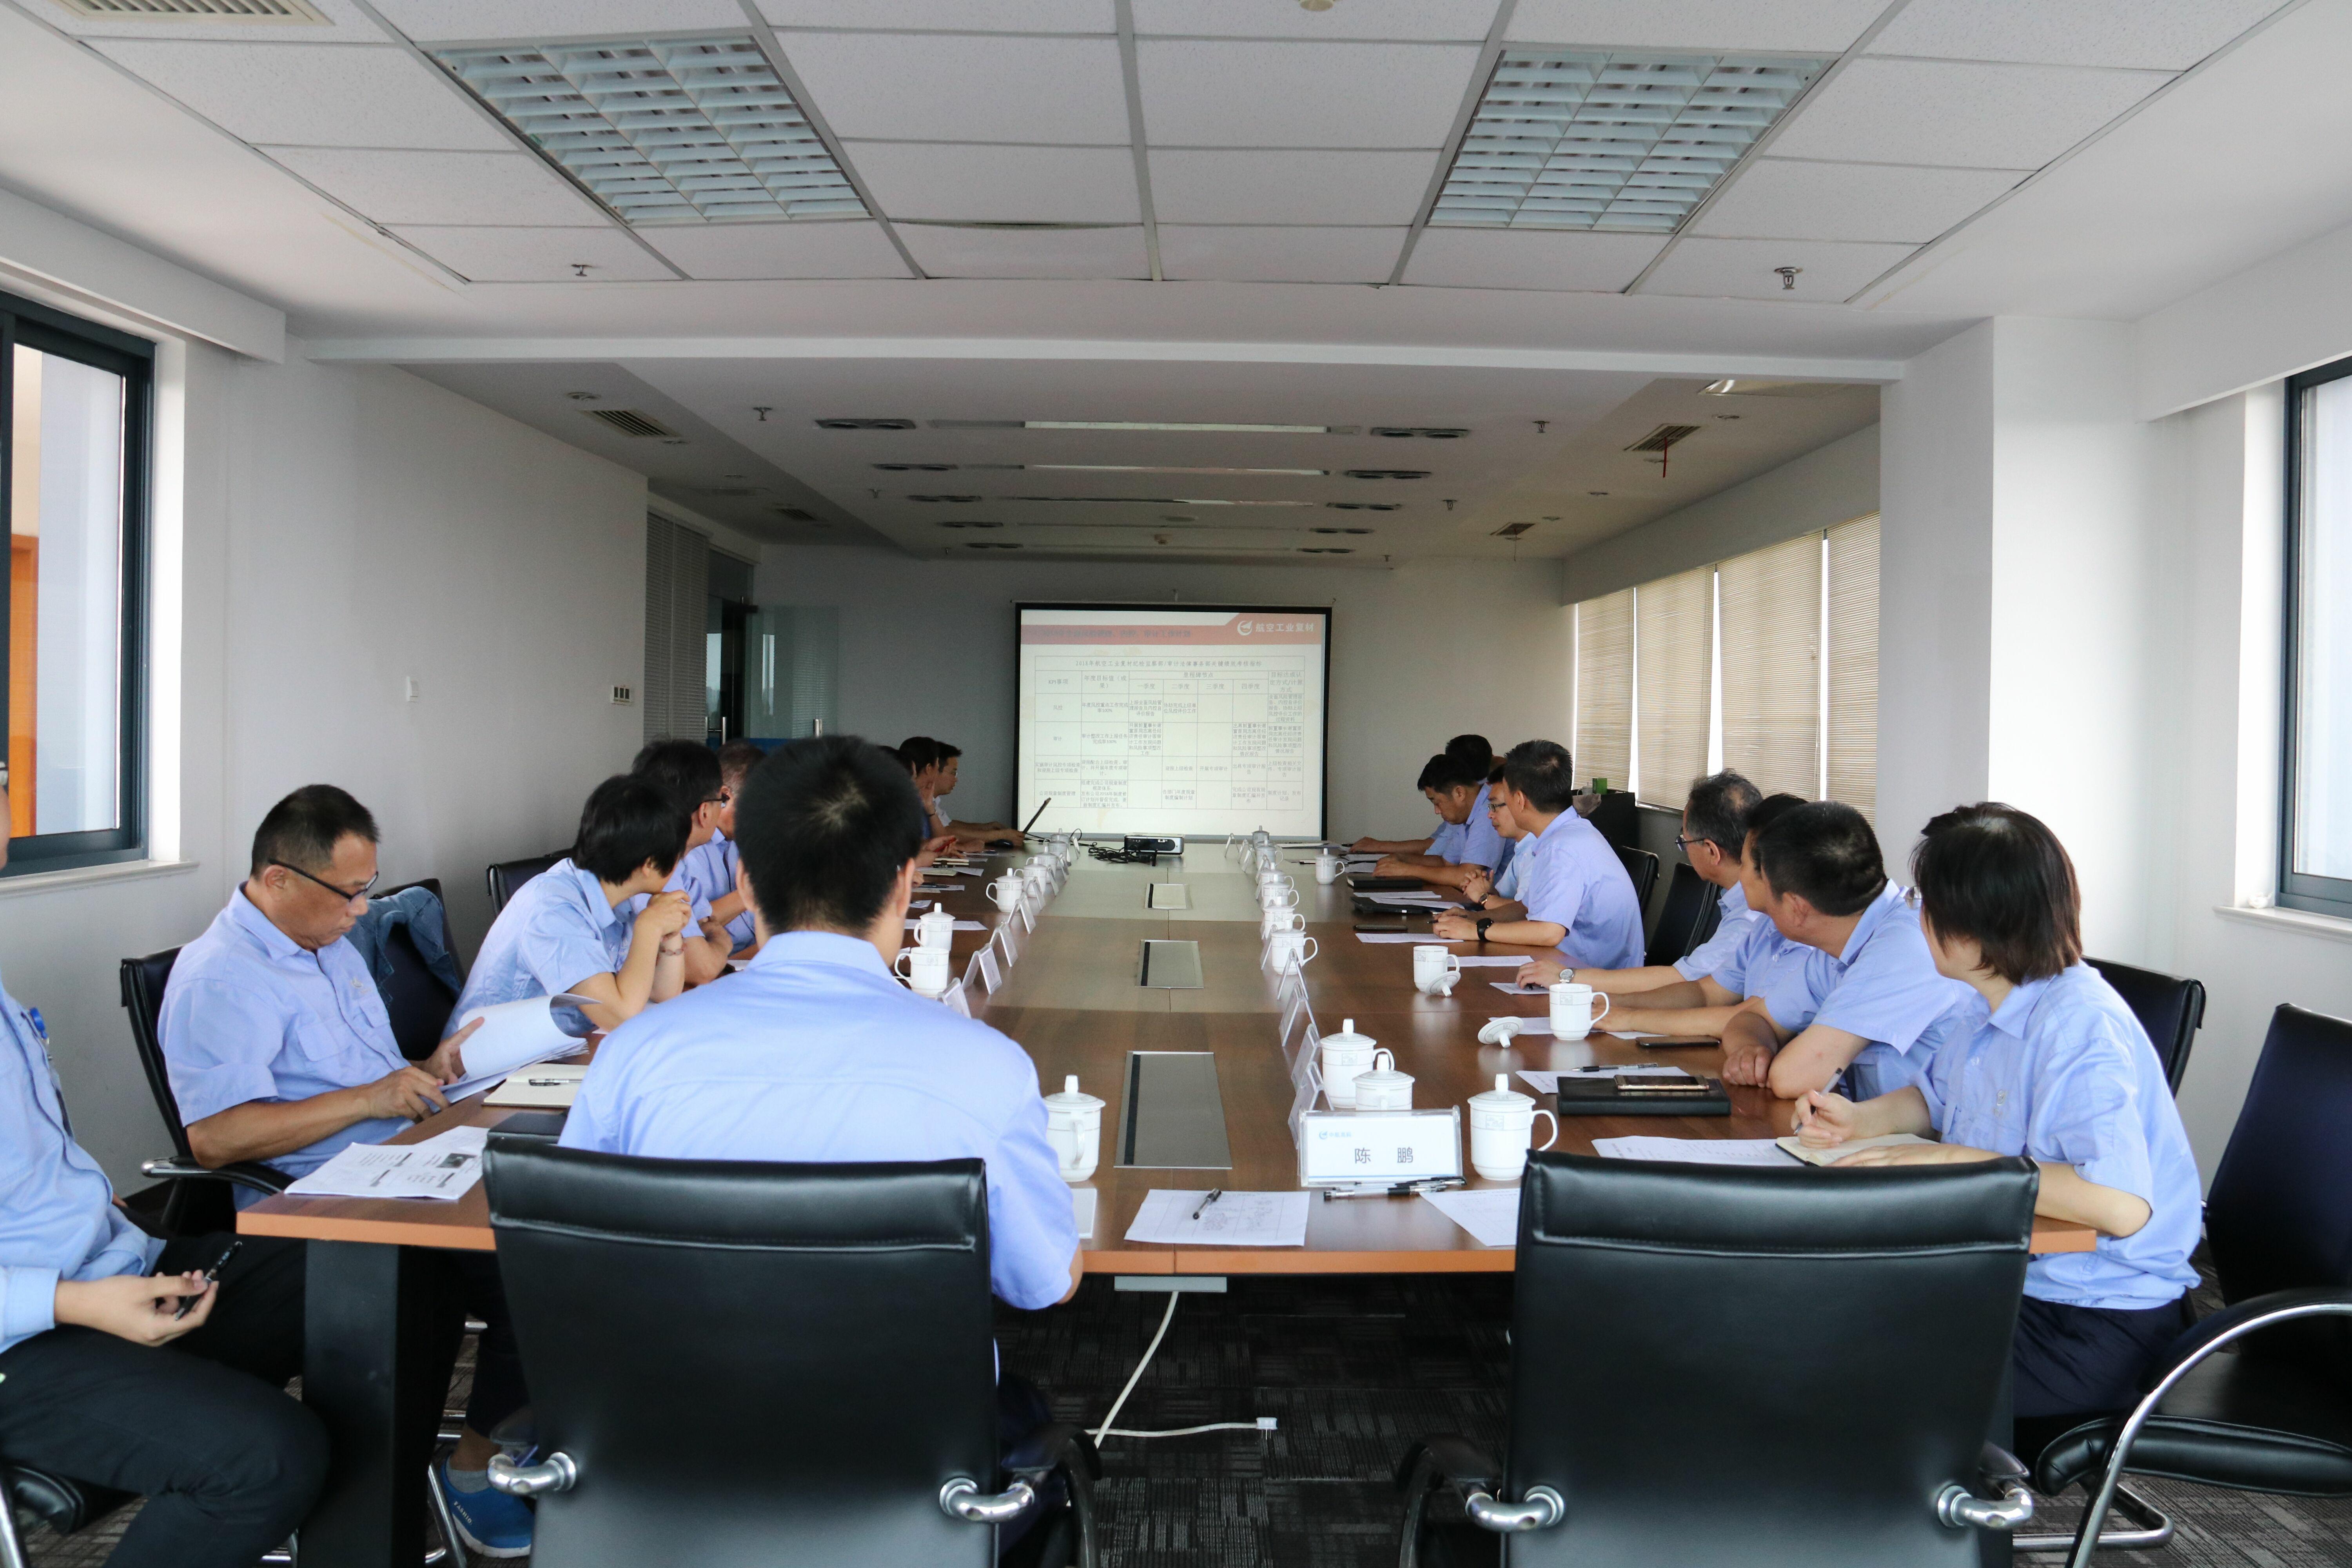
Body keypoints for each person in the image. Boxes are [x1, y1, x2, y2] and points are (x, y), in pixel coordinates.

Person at [561, 734, 1081, 1540]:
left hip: (672, 1460)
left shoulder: (635, 1057)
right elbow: (1044, 1283)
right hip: (909, 1467)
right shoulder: (986, 1070)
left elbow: (575, 1263)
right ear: (906, 881)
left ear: (744, 880)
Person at [158, 786, 534, 1556]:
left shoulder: (328, 947)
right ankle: (463, 1477)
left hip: (410, 1158)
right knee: (528, 1280)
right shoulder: (220, 977)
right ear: (277, 879)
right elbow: (215, 1138)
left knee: (560, 1243)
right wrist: (370, 1097)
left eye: (368, 889)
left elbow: (370, 1077)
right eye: (348, 893)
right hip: (328, 1202)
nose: (361, 910)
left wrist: (426, 1067)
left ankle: (497, 1448)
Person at [1792, 804, 2200, 1460]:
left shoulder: (2077, 1025)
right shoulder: (1992, 1003)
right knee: (1822, 1313)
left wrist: (1948, 1161)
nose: (1918, 917)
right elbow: (1936, 1097)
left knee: (1852, 1364)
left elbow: (2119, 1206)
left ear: (1970, 927)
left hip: (2094, 1322)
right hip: (2016, 1282)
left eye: (1925, 902)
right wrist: (1862, 1120)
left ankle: (1948, 1512)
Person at [0, 782, 328, 1568]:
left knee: (369, 1269)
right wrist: (76, 1299)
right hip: (28, 1338)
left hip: (109, 1268)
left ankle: (365, 1535)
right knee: (267, 1460)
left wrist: (95, 1215)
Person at [1719, 800, 1974, 1099]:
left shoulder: (1903, 945)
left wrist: (1770, 1063)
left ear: (1796, 908)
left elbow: (1793, 1077)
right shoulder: (1841, 944)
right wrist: (1751, 1051)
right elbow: (1753, 1019)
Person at [455, 775, 693, 1036]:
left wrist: (669, 932)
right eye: (678, 856)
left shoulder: (619, 893)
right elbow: (621, 1017)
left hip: (561, 1047)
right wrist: (649, 928)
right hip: (495, 1056)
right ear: (649, 865)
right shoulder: (553, 908)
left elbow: (663, 993)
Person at [1511, 770, 1763, 996]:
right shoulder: (1740, 899)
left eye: (1684, 841)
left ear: (1711, 851)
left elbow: (1685, 980)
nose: (1685, 850)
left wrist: (1567, 977)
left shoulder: (1750, 917)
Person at [1431, 740, 1642, 970]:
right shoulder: (1568, 833)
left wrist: (1477, 931)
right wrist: (1470, 918)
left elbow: (1549, 932)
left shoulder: (1561, 848)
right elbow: (1526, 908)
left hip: (1594, 979)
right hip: (1570, 967)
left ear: (1519, 800)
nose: (1490, 812)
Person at [628, 739, 737, 983]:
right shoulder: (652, 867)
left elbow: (707, 923)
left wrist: (711, 942)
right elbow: (700, 969)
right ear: (705, 812)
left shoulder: (679, 863)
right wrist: (722, 943)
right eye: (722, 801)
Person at [677, 739, 766, 957]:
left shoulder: (736, 842)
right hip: (711, 963)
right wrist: (755, 889)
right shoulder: (690, 847)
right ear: (725, 797)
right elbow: (690, 924)